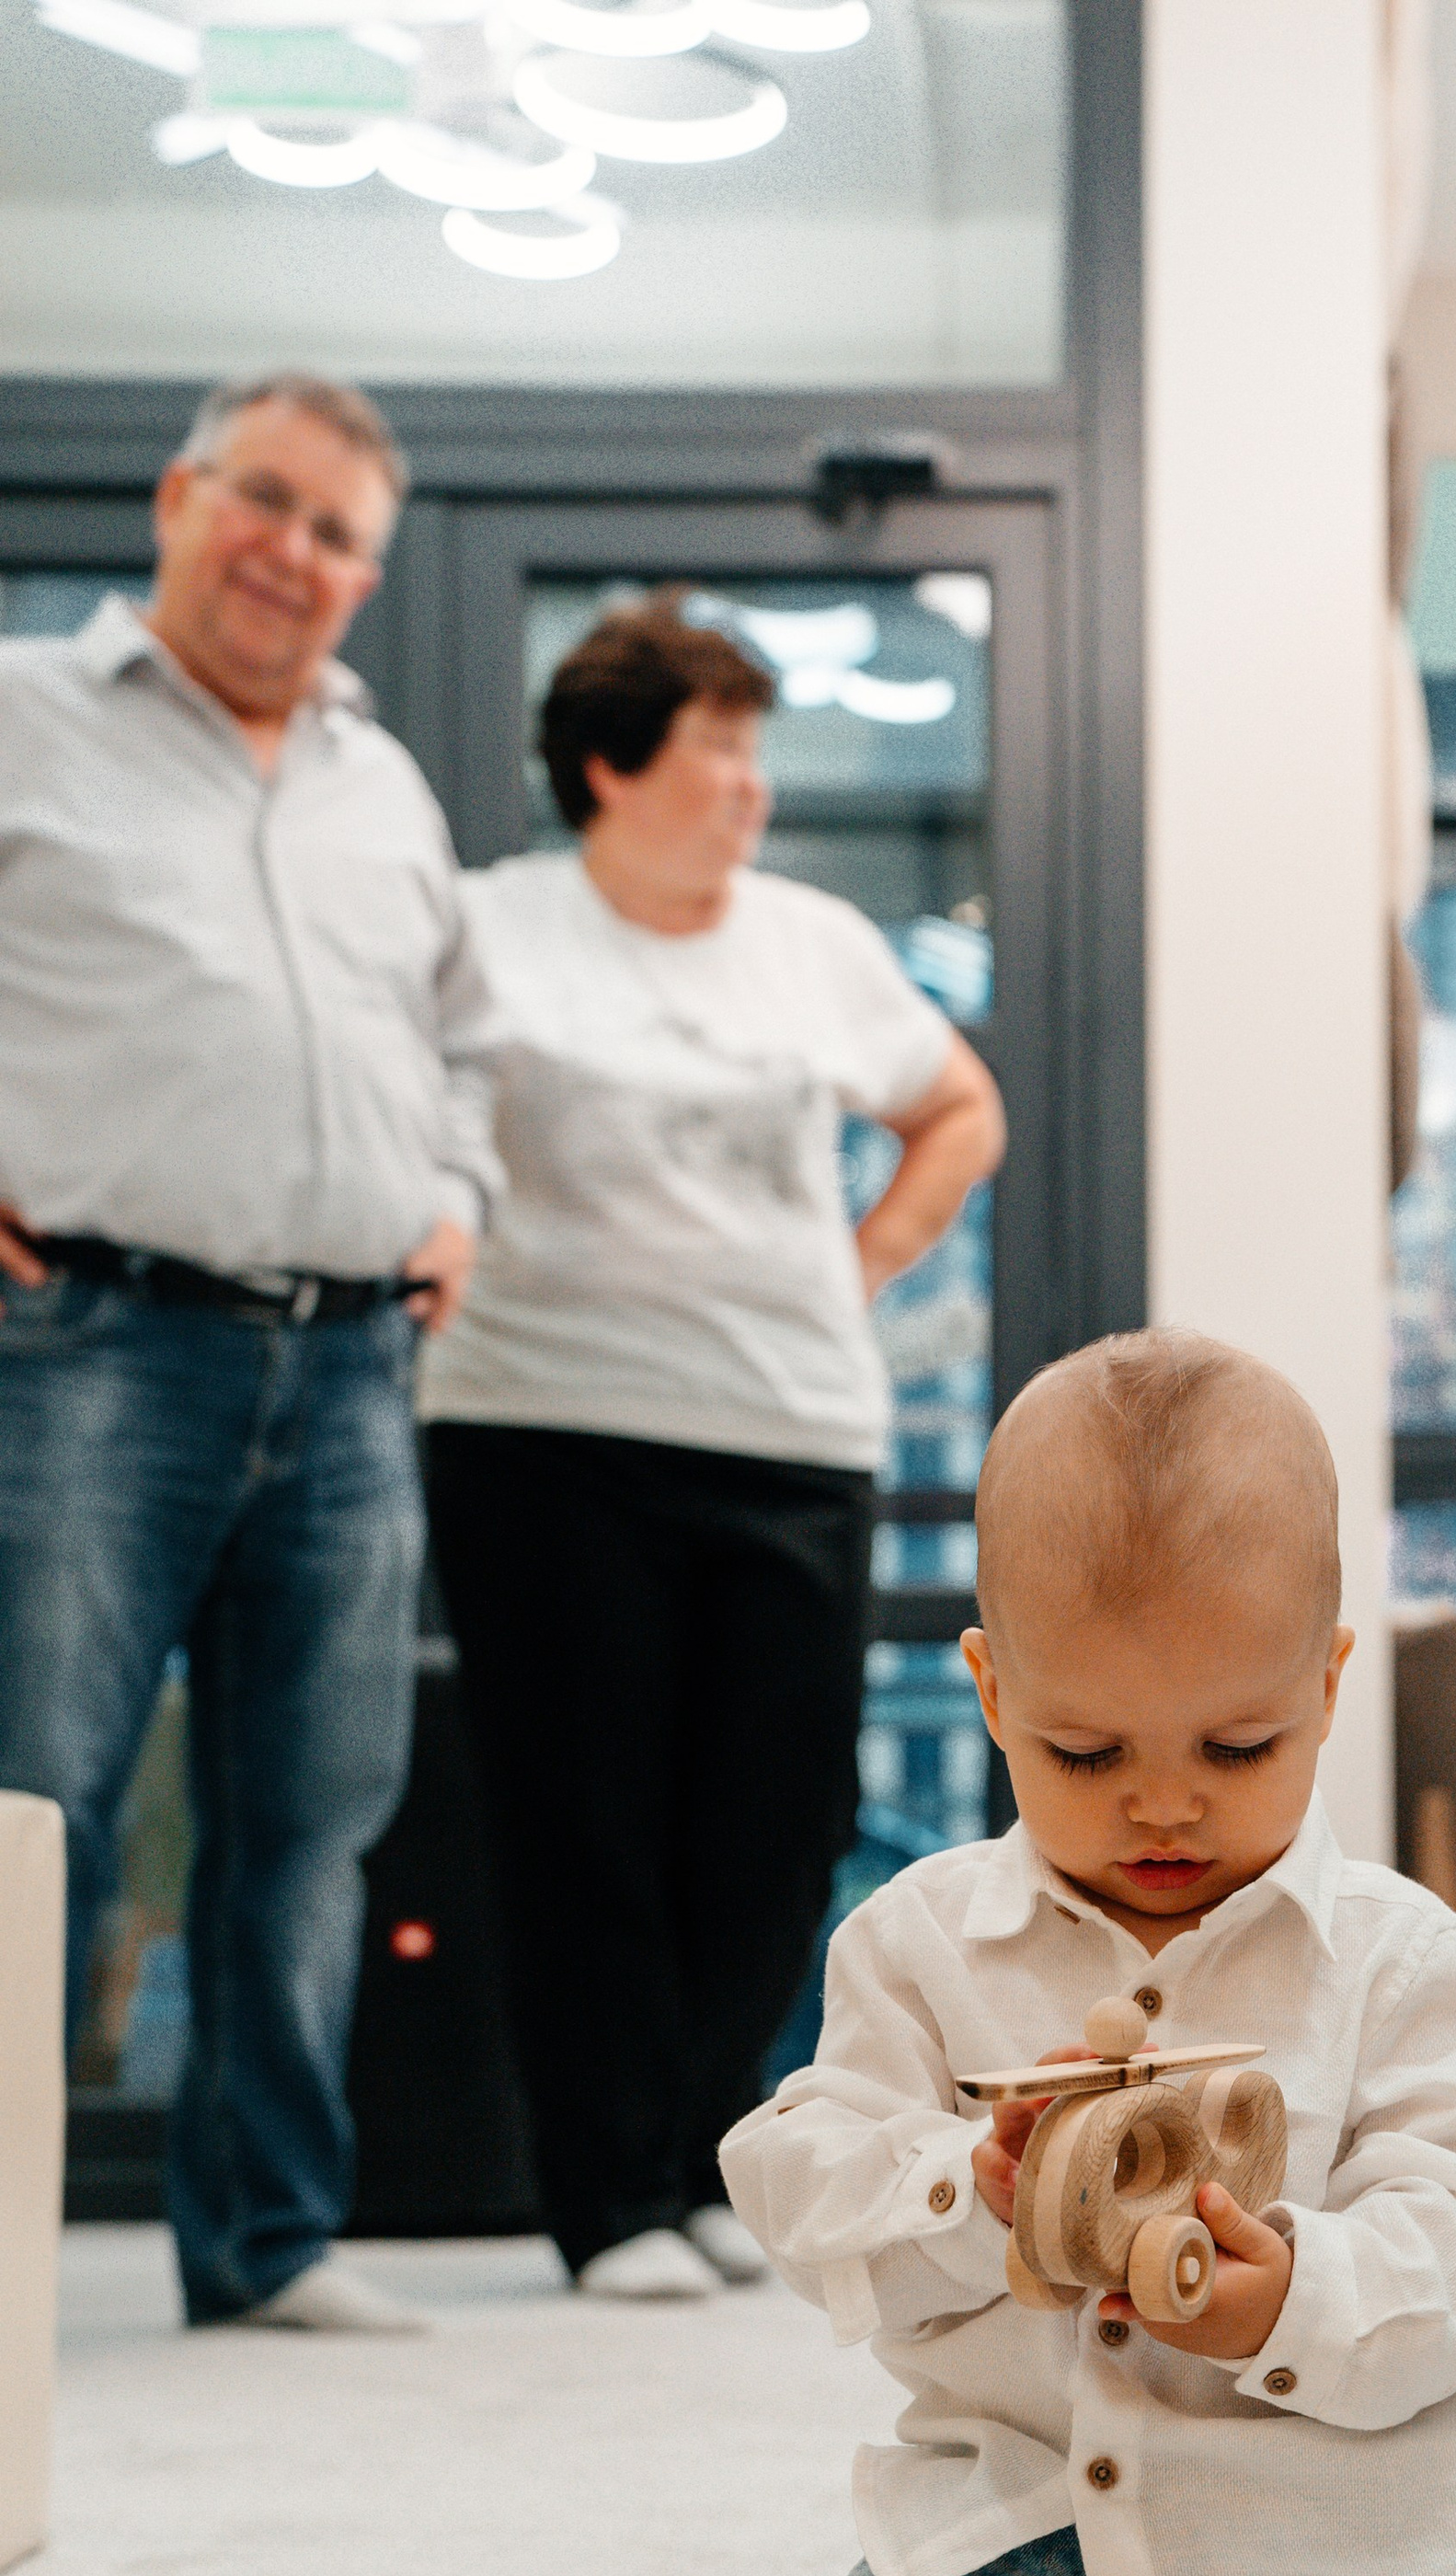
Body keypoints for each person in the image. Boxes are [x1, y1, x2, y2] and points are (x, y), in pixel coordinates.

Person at [717, 1330, 1456, 2576]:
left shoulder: (1408, 1964)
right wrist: (965, 2193)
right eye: (1084, 1754)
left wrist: (1289, 2292)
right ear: (990, 1691)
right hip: (1011, 2542)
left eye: (1237, 1750)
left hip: (1325, 2557)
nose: (1162, 1806)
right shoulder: (918, 1946)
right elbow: (795, 2167)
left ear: (1324, 1685)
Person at [421, 594, 1003, 2303]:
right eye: (716, 750)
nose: (750, 784)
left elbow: (959, 1106)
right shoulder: (490, 928)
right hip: (543, 1425)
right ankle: (605, 2200)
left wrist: (865, 1254)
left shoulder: (813, 940)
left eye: (757, 749)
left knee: (775, 1813)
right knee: (582, 1819)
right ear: (608, 766)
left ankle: (698, 2155)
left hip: (786, 1426)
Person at [0, 371, 497, 2336]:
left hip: (356, 1368)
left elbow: (464, 1036)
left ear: (368, 578)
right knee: (41, 1805)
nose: (296, 555)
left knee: (311, 1822)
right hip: (95, 1348)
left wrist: (454, 1189)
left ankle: (267, 2237)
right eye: (266, 503)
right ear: (178, 497)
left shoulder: (384, 784)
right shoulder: (24, 715)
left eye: (338, 534)